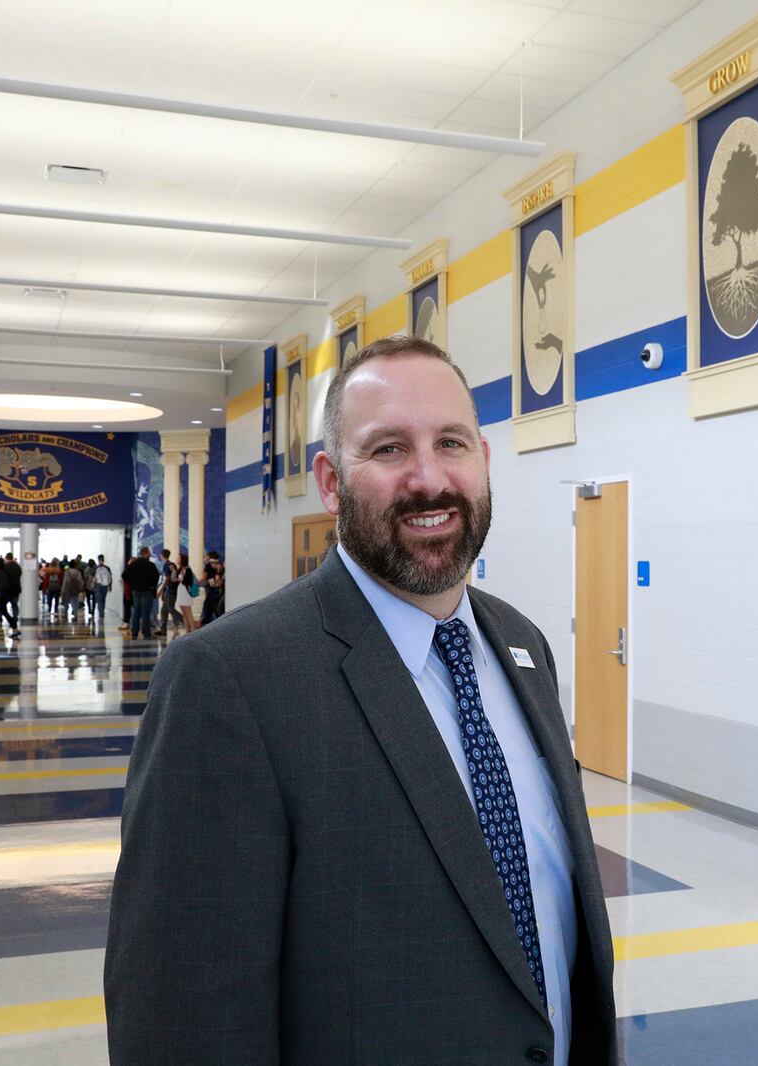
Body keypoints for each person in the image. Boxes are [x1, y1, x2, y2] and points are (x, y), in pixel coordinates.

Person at [106, 336, 616, 1064]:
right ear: (330, 480)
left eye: (451, 442)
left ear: (485, 460)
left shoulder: (522, 646)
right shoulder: (228, 680)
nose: (429, 478)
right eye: (387, 450)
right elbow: (182, 1013)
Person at [123, 546, 159, 640]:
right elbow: (156, 577)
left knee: (136, 612)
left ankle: (134, 633)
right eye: (149, 552)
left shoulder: (134, 564)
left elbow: (124, 575)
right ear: (146, 553)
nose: (150, 554)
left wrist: (132, 584)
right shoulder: (150, 565)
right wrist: (151, 585)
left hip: (135, 591)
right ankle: (146, 633)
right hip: (146, 591)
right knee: (146, 613)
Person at [172, 552, 200, 635]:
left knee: (188, 611)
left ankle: (193, 630)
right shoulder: (180, 569)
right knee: (184, 612)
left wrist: (179, 580)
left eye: (179, 558)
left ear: (182, 560)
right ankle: (187, 631)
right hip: (181, 590)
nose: (177, 560)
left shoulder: (188, 569)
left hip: (186, 592)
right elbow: (175, 578)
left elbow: (188, 581)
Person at [154, 548, 180, 636]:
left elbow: (167, 579)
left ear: (162, 555)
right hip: (169, 591)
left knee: (170, 609)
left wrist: (160, 591)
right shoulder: (170, 564)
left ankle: (183, 620)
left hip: (170, 591)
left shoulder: (167, 565)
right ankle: (163, 630)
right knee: (164, 610)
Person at [199, 550, 225, 625]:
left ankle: (205, 622)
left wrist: (197, 583)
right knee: (210, 606)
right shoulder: (213, 566)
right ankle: (205, 621)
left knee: (212, 607)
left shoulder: (214, 567)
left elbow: (218, 580)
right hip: (214, 589)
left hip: (215, 590)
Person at [61, 560, 86, 624]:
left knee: (66, 601)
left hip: (67, 589)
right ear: (75, 565)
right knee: (74, 602)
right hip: (75, 589)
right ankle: (75, 615)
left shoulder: (67, 572)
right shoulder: (78, 572)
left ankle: (65, 613)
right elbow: (80, 581)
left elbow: (65, 581)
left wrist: (62, 590)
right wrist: (81, 588)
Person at [93, 554, 114, 626]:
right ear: (103, 559)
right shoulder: (107, 568)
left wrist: (93, 586)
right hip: (105, 586)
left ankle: (101, 615)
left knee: (99, 601)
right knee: (103, 600)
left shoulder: (95, 568)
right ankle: (102, 614)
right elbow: (110, 578)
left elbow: (93, 578)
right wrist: (110, 586)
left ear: (98, 560)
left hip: (98, 586)